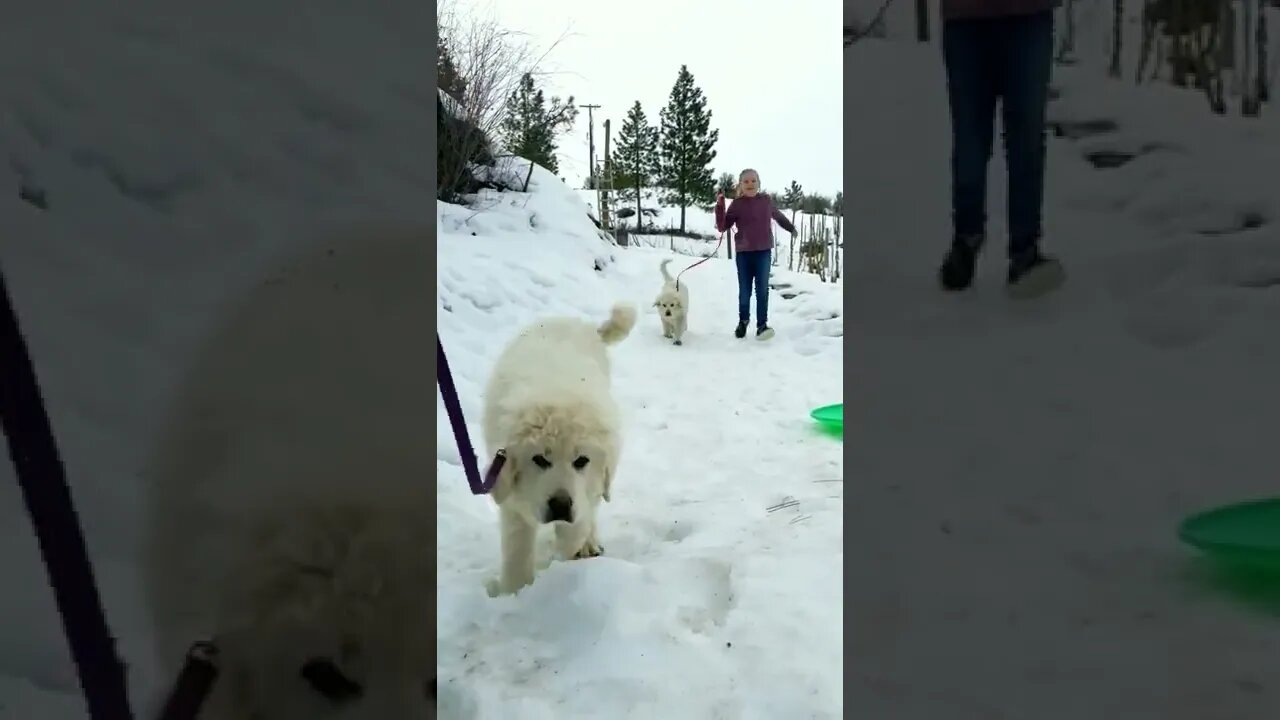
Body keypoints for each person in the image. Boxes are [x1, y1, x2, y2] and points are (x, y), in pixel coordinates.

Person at [937, 0, 1065, 298]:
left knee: (1027, 140)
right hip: (965, 21)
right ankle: (966, 239)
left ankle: (1025, 252)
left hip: (1029, 17)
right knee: (970, 139)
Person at [714, 169, 797, 340]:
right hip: (744, 254)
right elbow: (723, 226)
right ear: (740, 185)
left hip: (763, 252)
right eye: (746, 182)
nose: (750, 184)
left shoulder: (765, 201)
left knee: (762, 290)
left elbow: (778, 215)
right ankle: (743, 321)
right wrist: (719, 206)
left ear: (759, 183)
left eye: (753, 181)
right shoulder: (736, 204)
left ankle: (762, 325)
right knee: (745, 291)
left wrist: (790, 227)